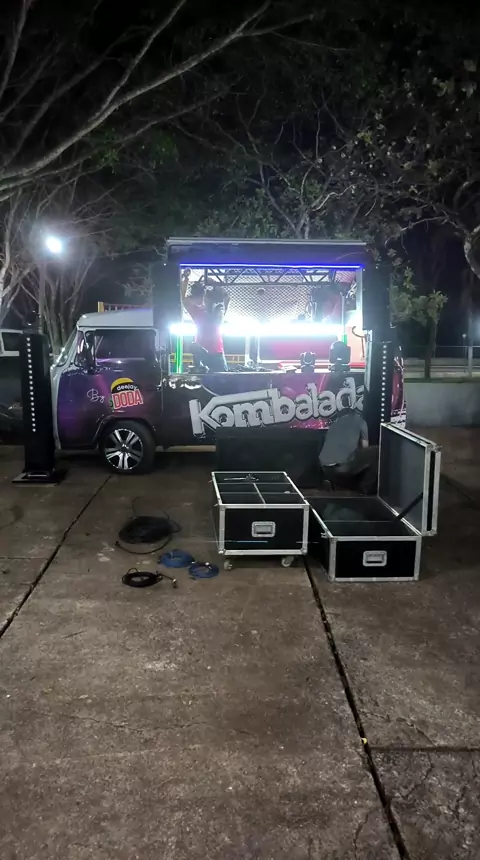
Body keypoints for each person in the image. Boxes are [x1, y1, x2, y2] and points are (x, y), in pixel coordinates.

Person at [319, 409, 379, 494]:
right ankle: (365, 489)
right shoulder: (361, 422)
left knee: (348, 459)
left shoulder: (334, 424)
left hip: (324, 467)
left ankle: (333, 482)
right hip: (342, 468)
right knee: (377, 451)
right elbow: (365, 447)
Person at [182, 275, 229, 372]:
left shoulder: (216, 311)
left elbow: (226, 298)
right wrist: (186, 280)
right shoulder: (206, 312)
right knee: (217, 377)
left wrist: (186, 280)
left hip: (213, 353)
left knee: (218, 377)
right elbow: (226, 298)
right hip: (208, 352)